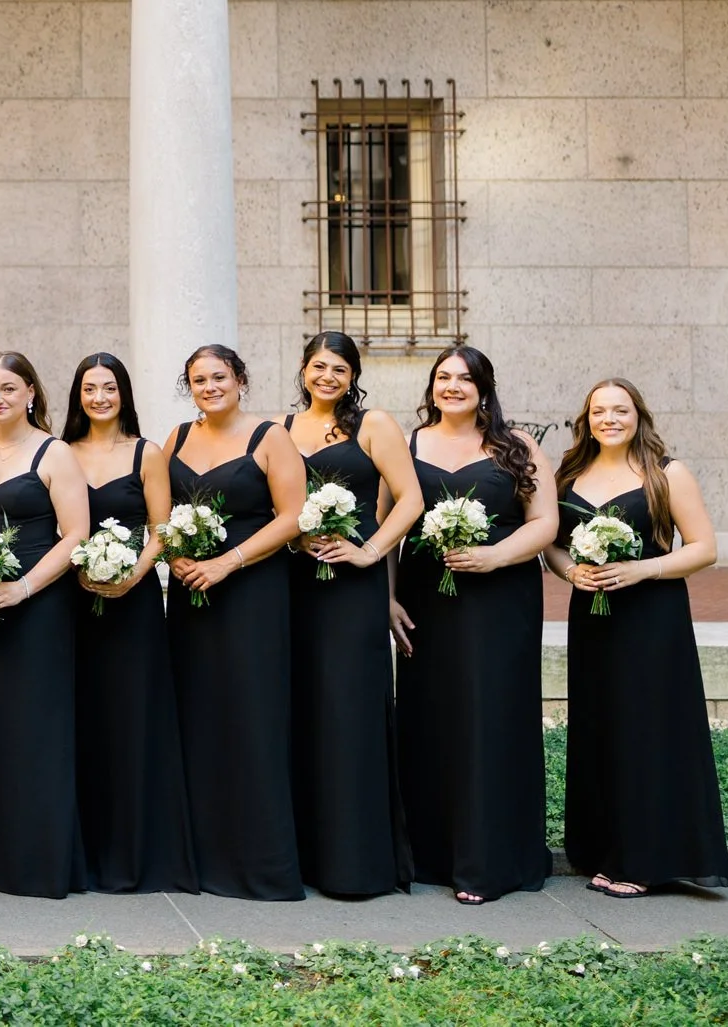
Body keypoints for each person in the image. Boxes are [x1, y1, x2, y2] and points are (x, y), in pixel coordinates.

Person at [547, 377, 728, 897]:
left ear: (638, 415)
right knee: (601, 728)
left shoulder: (666, 473)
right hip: (593, 620)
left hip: (652, 617)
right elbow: (553, 547)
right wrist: (570, 573)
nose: (609, 418)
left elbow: (704, 548)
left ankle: (644, 860)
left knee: (647, 730)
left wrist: (641, 570)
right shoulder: (570, 475)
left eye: (620, 410)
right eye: (599, 410)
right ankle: (604, 849)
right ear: (586, 419)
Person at [397, 344, 557, 904]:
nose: (453, 387)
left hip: (499, 600)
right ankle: (428, 855)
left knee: (491, 717)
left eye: (465, 379)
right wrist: (388, 598)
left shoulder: (518, 447)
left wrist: (496, 556)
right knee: (430, 717)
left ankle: (489, 861)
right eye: (443, 377)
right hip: (426, 602)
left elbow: (545, 523)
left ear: (484, 387)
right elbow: (388, 523)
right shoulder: (408, 444)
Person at [162, 343, 307, 901]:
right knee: (197, 715)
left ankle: (259, 863)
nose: (209, 387)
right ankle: (199, 858)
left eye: (219, 376)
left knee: (252, 715)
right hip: (192, 594)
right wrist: (177, 556)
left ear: (240, 379)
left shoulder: (270, 437)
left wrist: (228, 562)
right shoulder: (175, 439)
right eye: (198, 379)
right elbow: (160, 512)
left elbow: (293, 517)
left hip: (252, 593)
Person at [284, 331, 421, 899]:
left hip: (352, 589)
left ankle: (357, 861)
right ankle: (307, 856)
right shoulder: (282, 430)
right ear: (303, 369)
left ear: (353, 375)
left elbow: (410, 499)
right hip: (296, 586)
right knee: (303, 708)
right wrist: (294, 543)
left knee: (349, 709)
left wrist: (368, 553)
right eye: (318, 366)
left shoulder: (375, 425)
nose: (327, 377)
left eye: (339, 369)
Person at [0, 351, 89, 898]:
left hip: (39, 605)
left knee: (36, 728)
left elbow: (75, 533)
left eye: (8, 388)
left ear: (31, 392)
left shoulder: (54, 453)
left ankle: (37, 861)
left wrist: (23, 588)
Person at [64, 353, 194, 893]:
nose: (99, 397)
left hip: (133, 605)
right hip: (72, 604)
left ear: (124, 394)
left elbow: (161, 530)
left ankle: (136, 851)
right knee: (81, 721)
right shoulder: (60, 452)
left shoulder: (148, 453)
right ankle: (83, 850)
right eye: (90, 388)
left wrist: (133, 576)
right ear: (78, 396)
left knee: (131, 721)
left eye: (109, 388)